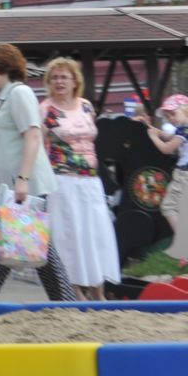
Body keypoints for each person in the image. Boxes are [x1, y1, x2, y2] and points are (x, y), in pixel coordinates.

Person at [0, 44, 76, 304]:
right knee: (10, 241)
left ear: (3, 66)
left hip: (21, 184)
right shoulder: (5, 96)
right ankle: (65, 302)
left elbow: (33, 135)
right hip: (6, 184)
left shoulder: (20, 93)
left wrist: (23, 180)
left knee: (25, 243)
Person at [40, 57, 119, 300]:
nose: (59, 82)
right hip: (63, 179)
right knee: (68, 234)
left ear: (75, 81)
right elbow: (39, 144)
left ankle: (98, 289)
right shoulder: (47, 109)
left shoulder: (85, 106)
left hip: (90, 179)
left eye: (64, 77)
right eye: (55, 77)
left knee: (95, 232)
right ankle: (74, 289)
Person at [146, 94, 188, 234]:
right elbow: (170, 137)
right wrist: (157, 131)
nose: (171, 119)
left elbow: (166, 149)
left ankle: (185, 242)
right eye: (168, 116)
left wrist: (153, 137)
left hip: (186, 175)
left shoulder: (184, 131)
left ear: (187, 110)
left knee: (169, 207)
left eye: (173, 113)